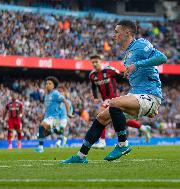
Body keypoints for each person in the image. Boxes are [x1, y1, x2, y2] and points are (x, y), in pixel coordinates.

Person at [61, 20, 167, 164]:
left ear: (127, 33)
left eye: (117, 32)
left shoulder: (141, 44)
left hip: (150, 95)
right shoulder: (127, 54)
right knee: (101, 118)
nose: (114, 35)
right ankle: (80, 156)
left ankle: (123, 145)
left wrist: (137, 65)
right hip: (137, 95)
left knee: (114, 102)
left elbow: (162, 58)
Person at [89, 54, 151, 149]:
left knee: (101, 115)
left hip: (114, 99)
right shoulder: (92, 75)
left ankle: (102, 142)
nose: (94, 64)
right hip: (105, 100)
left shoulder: (109, 70)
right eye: (92, 62)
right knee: (120, 120)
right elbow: (93, 86)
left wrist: (133, 87)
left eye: (96, 62)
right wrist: (95, 96)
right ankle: (143, 128)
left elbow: (122, 76)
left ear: (100, 61)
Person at [35, 76, 72, 153]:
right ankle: (61, 137)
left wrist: (69, 113)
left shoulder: (55, 94)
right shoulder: (46, 96)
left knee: (42, 126)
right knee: (44, 133)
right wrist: (42, 116)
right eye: (46, 83)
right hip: (51, 118)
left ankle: (40, 147)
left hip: (55, 118)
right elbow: (48, 109)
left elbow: (66, 102)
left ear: (53, 86)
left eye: (49, 83)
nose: (47, 85)